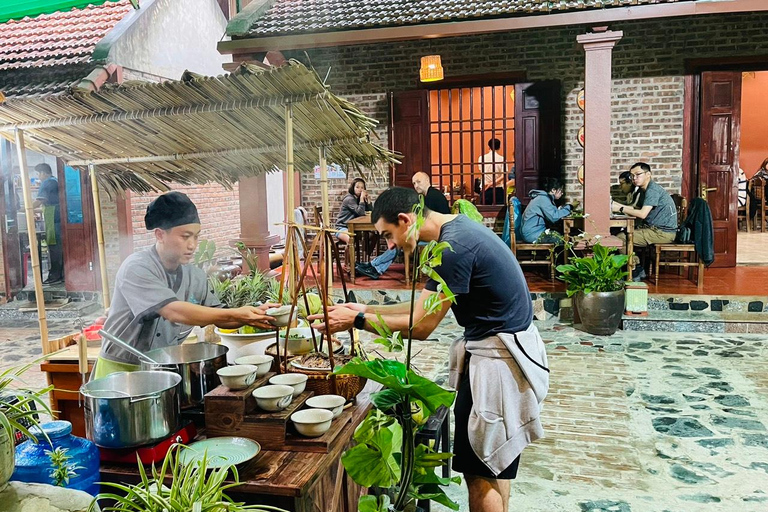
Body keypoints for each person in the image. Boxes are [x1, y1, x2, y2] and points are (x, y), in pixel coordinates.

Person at [309, 187, 549, 512]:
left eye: (388, 235)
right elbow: (418, 307)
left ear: (406, 220)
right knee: (494, 464)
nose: (390, 245)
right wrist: (356, 310)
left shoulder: (453, 248)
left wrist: (360, 321)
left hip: (498, 365)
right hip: (497, 354)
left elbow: (421, 326)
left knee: (481, 472)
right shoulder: (456, 232)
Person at [94, 192, 277, 379]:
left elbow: (221, 317)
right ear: (160, 235)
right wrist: (235, 313)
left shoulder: (195, 276)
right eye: (185, 236)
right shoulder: (137, 267)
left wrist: (257, 313)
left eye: (196, 237)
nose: (192, 245)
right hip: (120, 371)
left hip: (161, 370)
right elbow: (173, 311)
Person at [611, 162, 678, 281]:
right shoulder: (643, 190)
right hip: (653, 229)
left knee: (620, 238)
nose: (634, 178)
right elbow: (635, 209)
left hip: (662, 233)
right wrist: (615, 205)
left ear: (648, 174)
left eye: (638, 174)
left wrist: (620, 208)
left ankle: (635, 269)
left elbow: (642, 214)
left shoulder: (652, 190)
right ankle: (634, 267)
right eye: (632, 176)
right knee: (620, 234)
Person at [520, 177, 578, 244]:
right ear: (553, 190)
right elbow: (554, 217)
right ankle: (562, 254)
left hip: (534, 231)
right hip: (532, 234)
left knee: (559, 235)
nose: (562, 193)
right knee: (560, 239)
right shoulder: (543, 199)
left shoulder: (544, 198)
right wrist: (570, 207)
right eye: (561, 191)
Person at [32, 163, 63, 284]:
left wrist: (25, 209)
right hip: (56, 216)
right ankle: (60, 275)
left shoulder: (47, 182)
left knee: (54, 248)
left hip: (53, 218)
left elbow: (41, 200)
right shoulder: (54, 180)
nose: (38, 177)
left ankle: (55, 276)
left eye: (38, 174)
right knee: (58, 248)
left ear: (43, 173)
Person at [477, 138, 515, 205]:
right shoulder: (502, 159)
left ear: (488, 147)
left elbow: (482, 171)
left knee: (484, 211)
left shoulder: (481, 158)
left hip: (485, 187)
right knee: (499, 212)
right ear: (499, 147)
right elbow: (504, 175)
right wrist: (493, 183)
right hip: (498, 188)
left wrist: (489, 184)